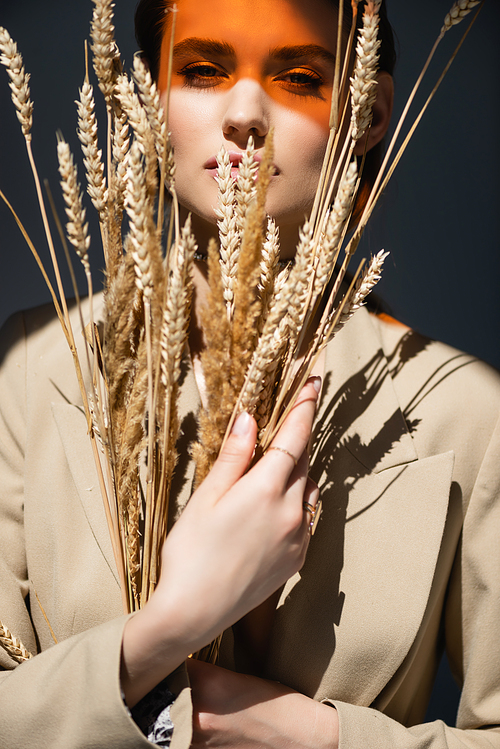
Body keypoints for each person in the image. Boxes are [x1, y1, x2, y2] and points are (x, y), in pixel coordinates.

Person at [1, 1, 499, 748]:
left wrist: (306, 733)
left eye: (298, 76)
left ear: (368, 111)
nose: (244, 113)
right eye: (202, 70)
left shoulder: (464, 409)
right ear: (145, 93)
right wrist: (166, 629)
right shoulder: (34, 368)